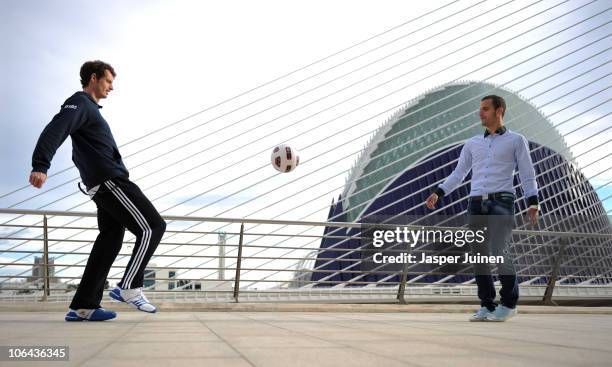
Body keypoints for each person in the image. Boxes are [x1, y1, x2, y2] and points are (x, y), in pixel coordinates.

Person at [30, 60, 166, 321]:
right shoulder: (80, 103)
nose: (111, 88)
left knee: (110, 239)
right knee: (152, 226)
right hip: (110, 181)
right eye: (108, 81)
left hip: (101, 184)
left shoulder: (89, 109)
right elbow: (55, 129)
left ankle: (85, 306)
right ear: (94, 78)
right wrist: (41, 165)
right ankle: (130, 286)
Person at [425, 95, 539, 322]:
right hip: (475, 203)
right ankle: (487, 305)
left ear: (500, 110)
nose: (481, 113)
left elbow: (527, 173)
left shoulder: (517, 140)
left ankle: (509, 303)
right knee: (479, 256)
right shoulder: (472, 143)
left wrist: (532, 202)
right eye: (480, 109)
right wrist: (439, 192)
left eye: (485, 109)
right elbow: (459, 174)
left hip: (502, 201)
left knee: (499, 251)